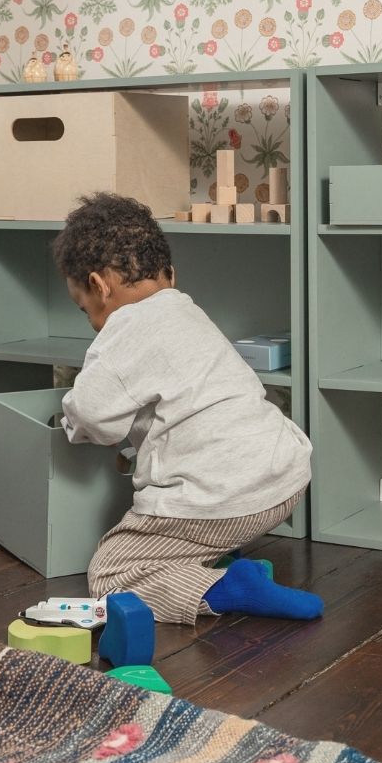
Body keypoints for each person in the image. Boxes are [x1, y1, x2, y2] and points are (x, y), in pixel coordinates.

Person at [52, 192, 322, 625]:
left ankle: (224, 587)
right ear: (170, 275)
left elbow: (93, 416)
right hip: (284, 478)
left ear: (100, 286)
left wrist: (68, 418)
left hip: (222, 499)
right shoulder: (187, 311)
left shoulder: (124, 328)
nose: (92, 323)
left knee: (110, 572)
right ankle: (215, 556)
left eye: (86, 310)